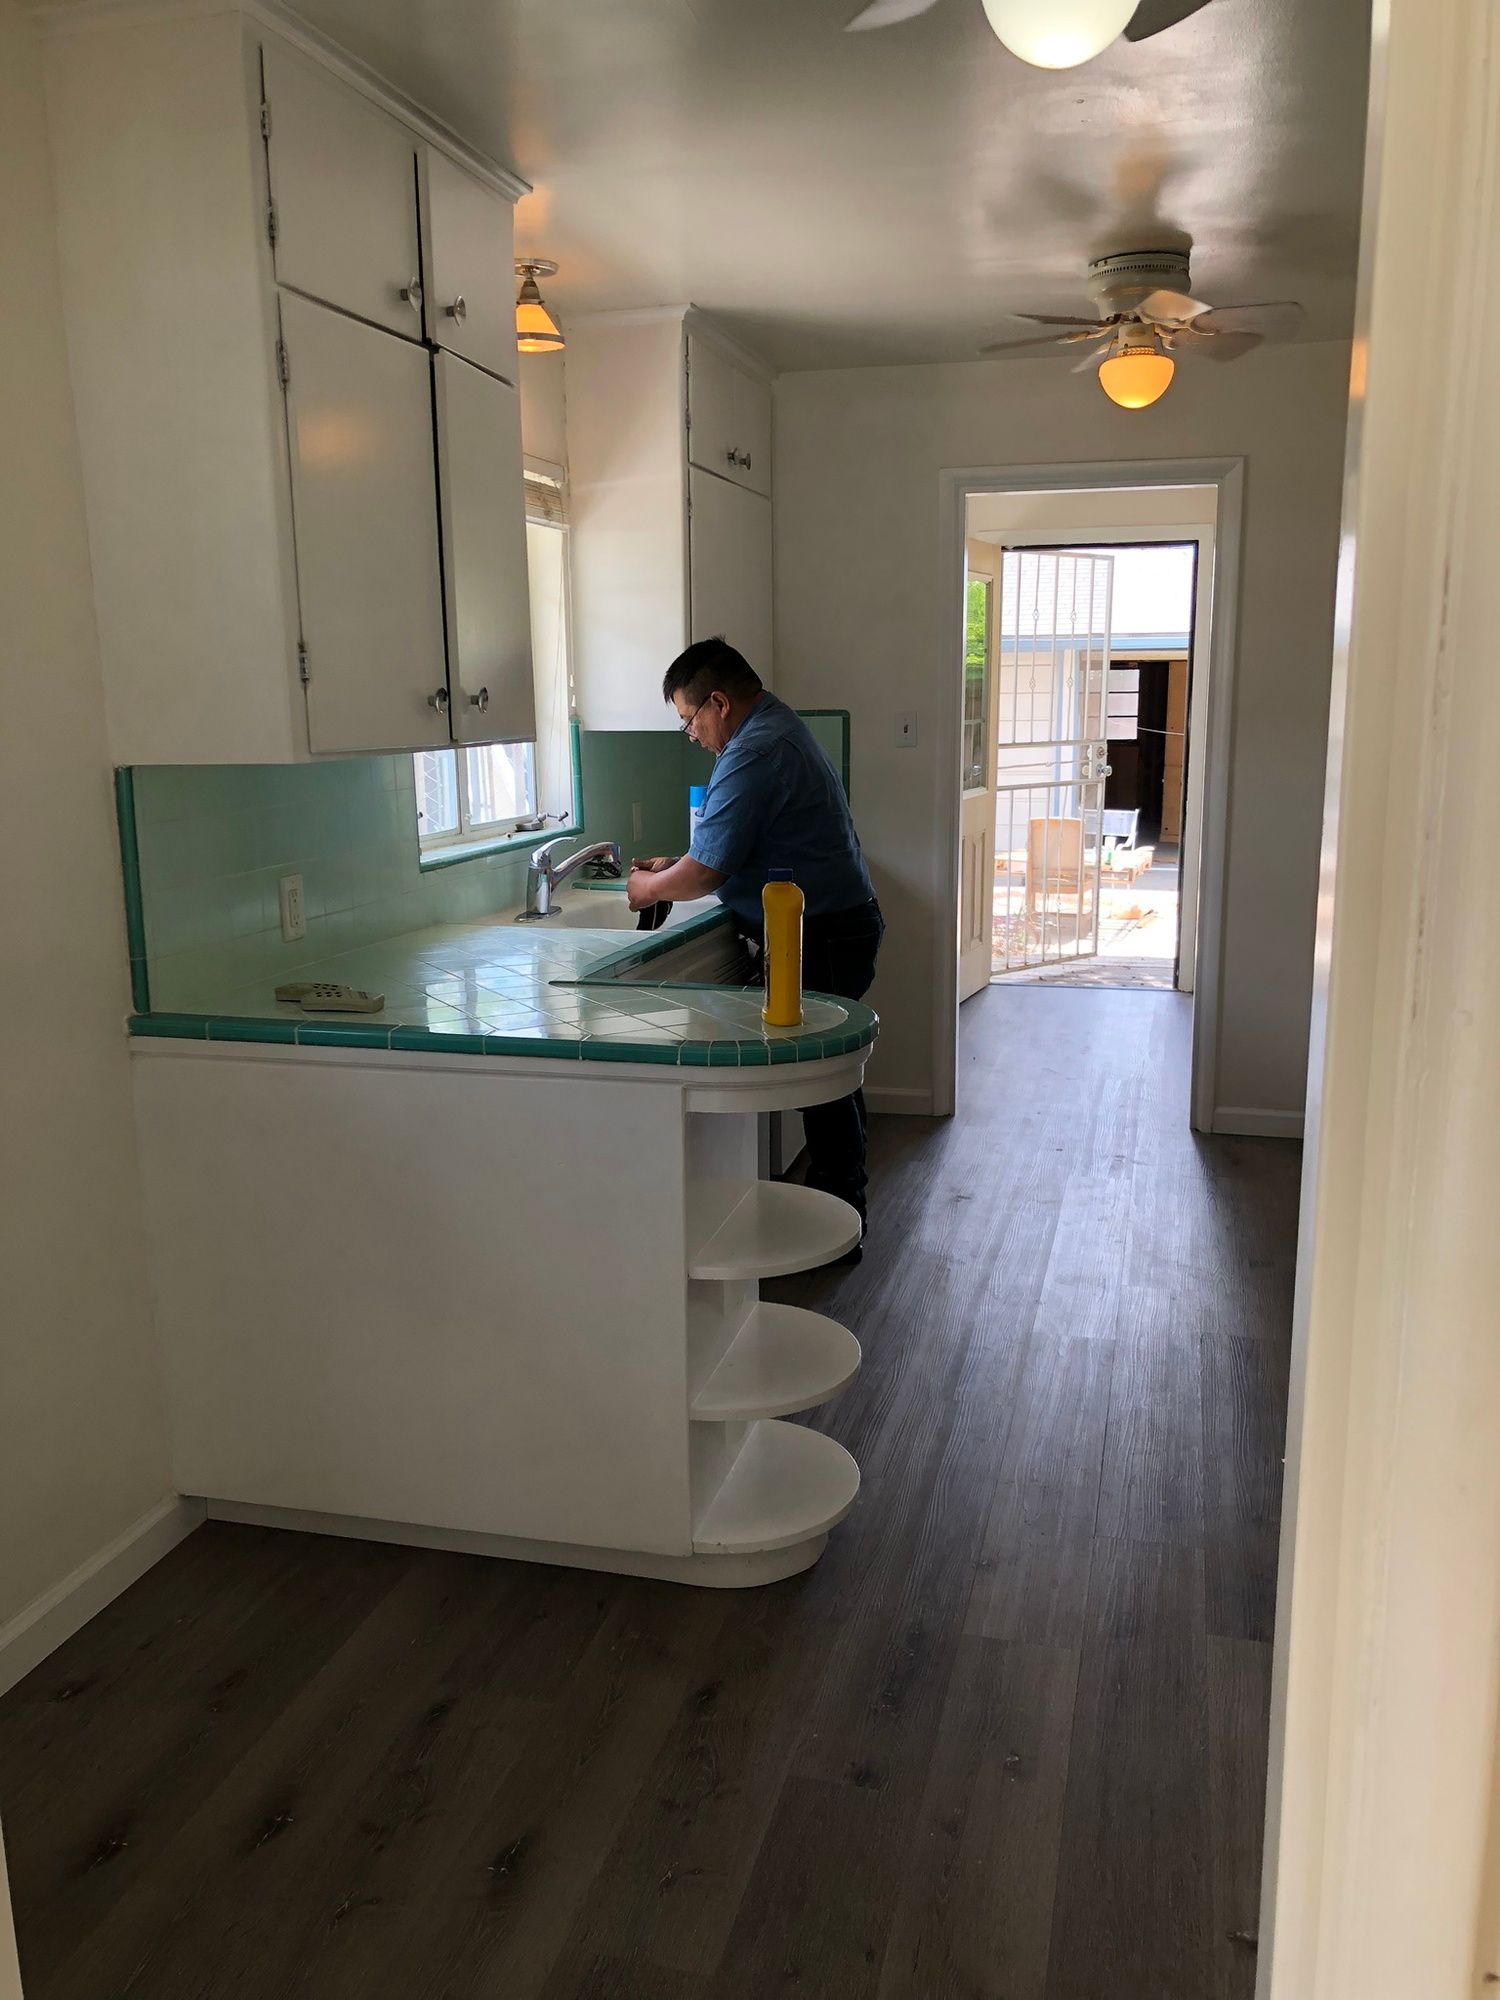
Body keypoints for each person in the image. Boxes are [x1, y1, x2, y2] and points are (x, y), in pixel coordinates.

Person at [627, 637, 884, 1252]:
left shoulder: (755, 751)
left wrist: (644, 888)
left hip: (816, 932)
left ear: (718, 702)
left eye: (689, 720)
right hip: (831, 924)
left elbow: (706, 874)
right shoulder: (772, 728)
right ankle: (840, 1212)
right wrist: (678, 864)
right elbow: (729, 851)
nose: (691, 735)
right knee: (833, 1079)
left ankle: (838, 1224)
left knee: (823, 1085)